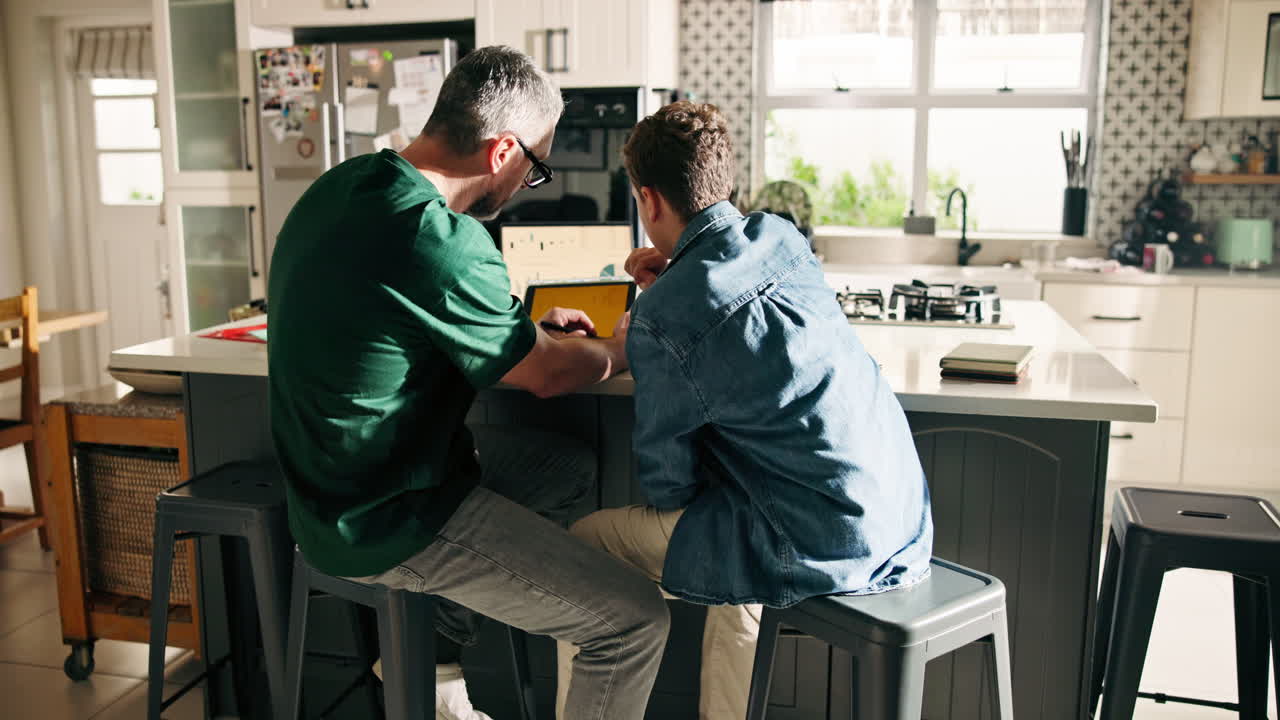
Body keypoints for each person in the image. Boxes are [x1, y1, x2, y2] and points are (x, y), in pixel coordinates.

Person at [268, 46, 669, 720]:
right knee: (632, 624)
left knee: (561, 466)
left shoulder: (345, 185)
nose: (526, 185)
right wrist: (620, 349)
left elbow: (408, 325)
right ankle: (433, 667)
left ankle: (433, 658)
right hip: (390, 514)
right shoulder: (441, 236)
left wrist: (525, 330)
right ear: (501, 151)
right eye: (535, 167)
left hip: (324, 490)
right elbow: (544, 376)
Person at [556, 101, 935, 720]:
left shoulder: (663, 317)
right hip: (897, 520)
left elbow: (667, 484)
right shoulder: (783, 237)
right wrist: (675, 282)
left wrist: (657, 320)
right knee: (741, 548)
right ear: (722, 179)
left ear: (647, 201)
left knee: (584, 547)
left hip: (813, 542)